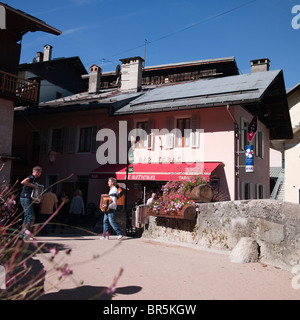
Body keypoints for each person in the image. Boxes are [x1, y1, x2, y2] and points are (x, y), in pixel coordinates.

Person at [19, 166, 42, 239]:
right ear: (37, 172)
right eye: (40, 172)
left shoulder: (34, 179)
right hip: (25, 198)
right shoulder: (31, 177)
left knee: (27, 216)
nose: (41, 174)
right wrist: (32, 185)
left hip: (25, 198)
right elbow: (23, 182)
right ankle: (25, 234)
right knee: (30, 216)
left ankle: (23, 234)